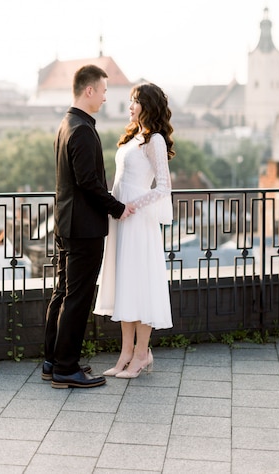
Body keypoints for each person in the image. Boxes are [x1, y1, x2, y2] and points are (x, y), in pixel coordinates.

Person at [43, 64, 134, 389]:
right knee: (78, 297)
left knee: (63, 293)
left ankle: (53, 360)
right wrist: (117, 207)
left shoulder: (67, 123)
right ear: (89, 90)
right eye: (104, 91)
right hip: (83, 228)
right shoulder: (81, 129)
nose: (107, 98)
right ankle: (66, 368)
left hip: (66, 224)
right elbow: (89, 183)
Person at [93, 82, 175, 378]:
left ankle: (142, 354)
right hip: (122, 220)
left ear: (147, 105)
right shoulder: (134, 137)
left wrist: (132, 206)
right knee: (125, 284)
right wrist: (119, 207)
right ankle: (125, 353)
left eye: (135, 101)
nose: (129, 106)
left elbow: (164, 187)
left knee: (140, 284)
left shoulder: (155, 140)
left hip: (137, 220)